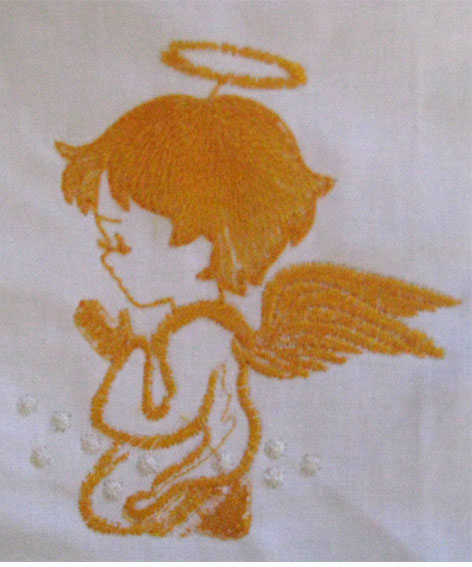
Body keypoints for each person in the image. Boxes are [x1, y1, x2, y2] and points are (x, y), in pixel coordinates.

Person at [56, 40, 457, 539]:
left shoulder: (200, 333)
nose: (107, 256)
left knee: (117, 508)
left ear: (208, 238)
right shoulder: (192, 324)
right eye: (103, 239)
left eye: (118, 240)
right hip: (186, 473)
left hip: (190, 483)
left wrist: (123, 358)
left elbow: (162, 421)